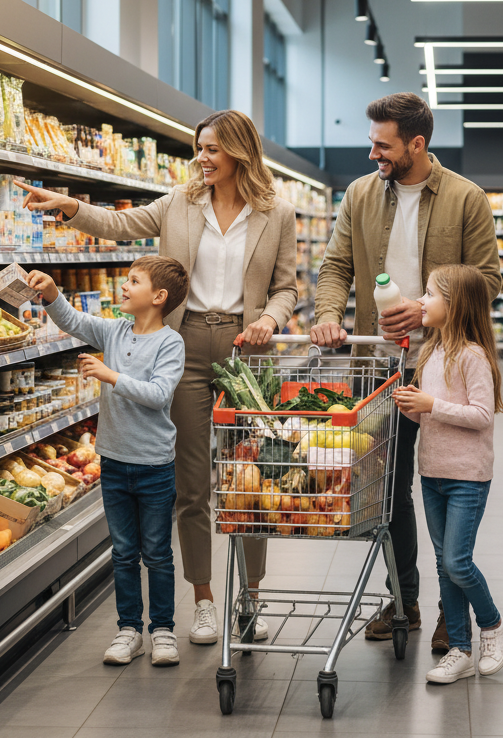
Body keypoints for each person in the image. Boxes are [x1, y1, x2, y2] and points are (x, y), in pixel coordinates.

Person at [15, 110, 297, 646]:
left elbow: (286, 288)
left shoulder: (276, 213)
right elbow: (121, 225)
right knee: (192, 484)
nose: (201, 158)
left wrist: (269, 319)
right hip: (184, 346)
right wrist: (70, 207)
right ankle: (205, 599)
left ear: (238, 150)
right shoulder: (180, 203)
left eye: (211, 148)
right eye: (199, 147)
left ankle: (251, 597)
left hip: (247, 350)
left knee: (252, 482)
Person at [310, 92, 500, 651]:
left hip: (442, 363)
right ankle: (404, 598)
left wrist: (424, 307)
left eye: (383, 144)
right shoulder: (360, 195)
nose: (373, 154)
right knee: (387, 492)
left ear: (417, 144)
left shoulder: (467, 199)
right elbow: (336, 266)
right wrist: (326, 315)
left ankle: (453, 613)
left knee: (444, 487)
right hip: (378, 369)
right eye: (372, 142)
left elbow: (486, 281)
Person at [26, 257, 188, 666]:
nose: (124, 285)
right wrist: (50, 293)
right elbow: (74, 321)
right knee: (123, 552)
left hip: (153, 465)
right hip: (113, 461)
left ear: (158, 296)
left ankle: (163, 630)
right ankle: (128, 630)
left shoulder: (170, 343)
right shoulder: (113, 330)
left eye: (134, 281)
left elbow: (158, 394)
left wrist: (109, 374)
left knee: (157, 553)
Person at [393, 264, 503, 683]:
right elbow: (431, 414)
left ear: (456, 305)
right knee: (444, 564)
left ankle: (493, 625)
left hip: (467, 476)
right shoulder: (430, 352)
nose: (420, 301)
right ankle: (459, 648)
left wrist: (429, 406)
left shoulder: (473, 356)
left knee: (458, 562)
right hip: (433, 472)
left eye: (429, 294)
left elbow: (481, 415)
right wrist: (411, 408)